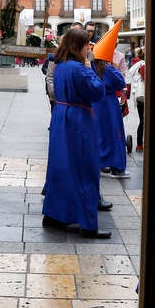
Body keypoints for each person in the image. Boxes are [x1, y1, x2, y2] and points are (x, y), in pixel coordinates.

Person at [41, 26, 110, 239]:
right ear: (77, 46)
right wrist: (90, 67)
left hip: (61, 116)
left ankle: (54, 215)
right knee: (85, 169)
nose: (89, 49)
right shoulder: (79, 69)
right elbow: (98, 91)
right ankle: (88, 225)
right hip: (78, 121)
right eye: (86, 45)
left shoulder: (60, 66)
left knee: (60, 167)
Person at [91, 20, 131, 180]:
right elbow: (121, 82)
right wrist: (113, 66)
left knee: (100, 134)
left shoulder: (90, 66)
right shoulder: (108, 68)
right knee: (115, 133)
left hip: (96, 103)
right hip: (109, 104)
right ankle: (117, 167)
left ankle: (102, 163)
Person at [127, 48, 145, 151]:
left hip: (137, 95)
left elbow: (130, 79)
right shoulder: (144, 64)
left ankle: (139, 145)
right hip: (144, 94)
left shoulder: (135, 65)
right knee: (146, 121)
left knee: (141, 121)